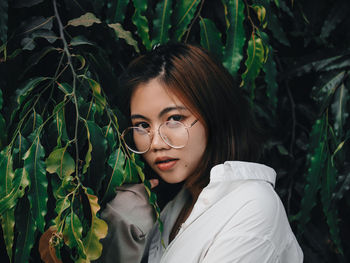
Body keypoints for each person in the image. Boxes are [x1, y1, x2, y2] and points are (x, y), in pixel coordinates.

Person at [97, 43, 303, 263]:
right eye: (142, 125)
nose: (156, 143)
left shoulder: (252, 206)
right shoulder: (175, 207)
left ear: (213, 114)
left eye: (175, 119)